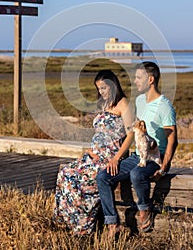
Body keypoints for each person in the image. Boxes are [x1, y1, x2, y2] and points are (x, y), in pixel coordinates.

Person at [96, 61, 178, 236]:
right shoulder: (140, 101)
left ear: (150, 79)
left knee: (136, 174)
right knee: (103, 177)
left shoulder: (164, 106)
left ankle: (144, 209)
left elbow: (172, 141)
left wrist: (163, 168)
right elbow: (135, 131)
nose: (135, 81)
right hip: (138, 156)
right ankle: (112, 223)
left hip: (155, 157)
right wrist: (117, 156)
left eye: (138, 77)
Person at [53, 69, 134, 235]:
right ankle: (66, 223)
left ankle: (82, 227)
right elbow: (101, 133)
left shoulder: (123, 103)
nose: (101, 92)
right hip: (94, 155)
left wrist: (116, 159)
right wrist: (90, 150)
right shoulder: (103, 104)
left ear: (113, 85)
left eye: (104, 88)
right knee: (64, 172)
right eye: (99, 89)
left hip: (110, 157)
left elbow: (131, 134)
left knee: (74, 178)